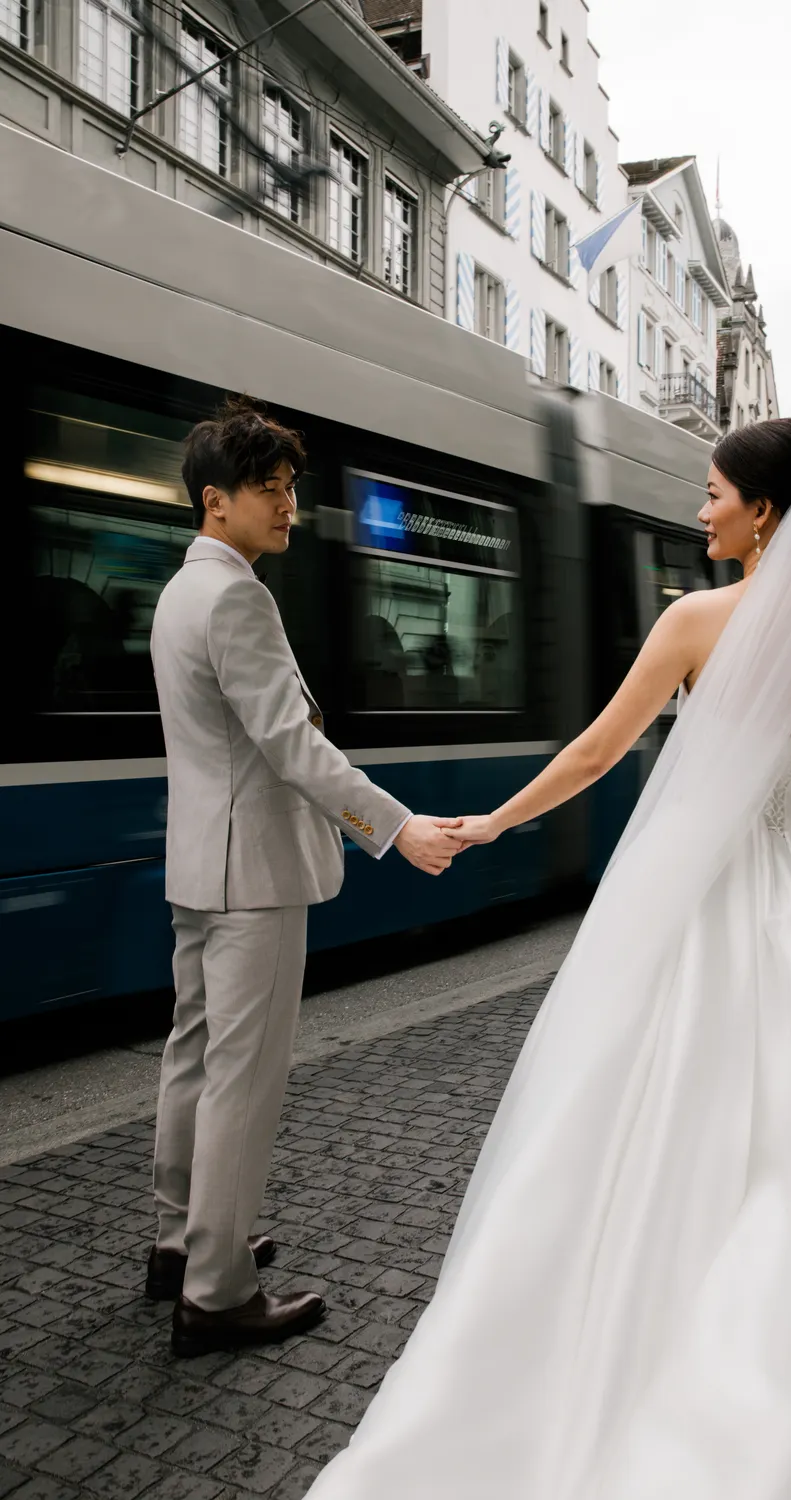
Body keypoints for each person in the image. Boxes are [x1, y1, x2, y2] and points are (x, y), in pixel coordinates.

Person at [305, 419, 791, 1499]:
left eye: (713, 492)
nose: (700, 509)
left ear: (764, 513)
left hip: (708, 891)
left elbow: (594, 752)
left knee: (654, 1107)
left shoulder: (694, 621)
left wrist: (492, 823)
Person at [146, 396, 460, 1359]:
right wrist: (395, 827)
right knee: (243, 1075)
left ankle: (178, 1238)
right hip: (256, 875)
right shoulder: (237, 595)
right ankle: (217, 1289)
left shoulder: (179, 590)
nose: (289, 506)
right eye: (270, 490)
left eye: (290, 489)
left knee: (194, 1056)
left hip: (202, 860)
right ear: (216, 501)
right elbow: (291, 746)